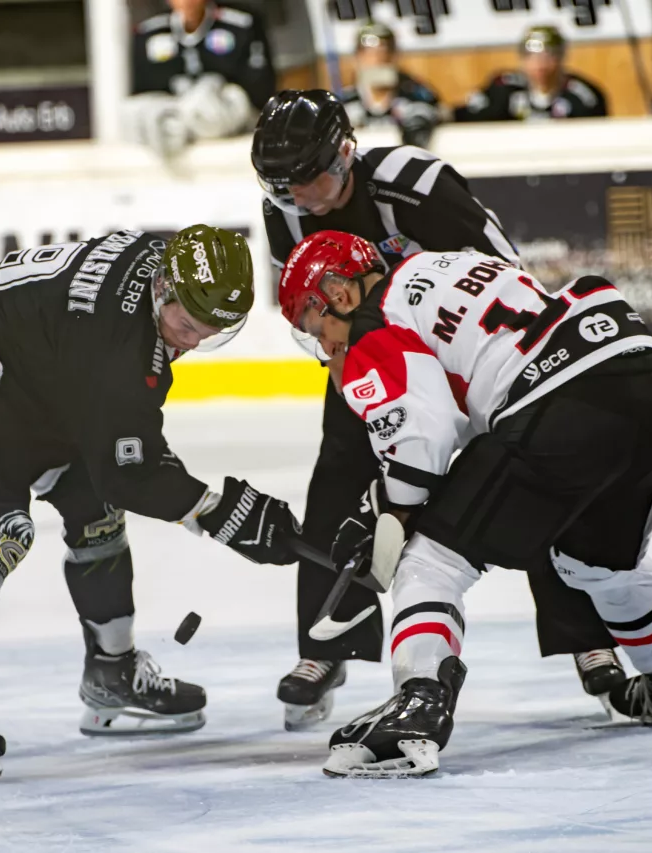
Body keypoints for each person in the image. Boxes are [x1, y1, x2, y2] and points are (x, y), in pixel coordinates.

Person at [278, 230, 652, 777]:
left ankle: (418, 707)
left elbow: (422, 441)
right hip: (643, 396)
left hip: (557, 410)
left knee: (428, 559)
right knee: (597, 564)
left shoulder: (375, 326)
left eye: (316, 325)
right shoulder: (445, 263)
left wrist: (391, 510)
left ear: (340, 291)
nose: (326, 346)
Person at [251, 88, 627, 733]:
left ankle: (588, 635)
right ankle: (325, 646)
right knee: (339, 469)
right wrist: (356, 392)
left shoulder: (415, 183)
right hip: (379, 355)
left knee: (532, 468)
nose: (300, 200)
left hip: (473, 353)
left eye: (307, 180)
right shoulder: (284, 210)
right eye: (283, 187)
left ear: (345, 153)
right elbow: (321, 319)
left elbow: (504, 272)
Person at [0, 226, 301, 782]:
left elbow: (120, 453)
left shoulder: (167, 262)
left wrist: (208, 506)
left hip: (22, 375)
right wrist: (223, 514)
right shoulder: (116, 341)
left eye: (211, 332)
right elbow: (134, 472)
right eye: (187, 326)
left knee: (94, 508)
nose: (193, 343)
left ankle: (112, 673)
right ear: (163, 290)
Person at [125, 0, 276, 156]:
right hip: (169, 126)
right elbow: (142, 93)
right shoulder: (148, 33)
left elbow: (258, 92)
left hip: (228, 127)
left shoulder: (242, 24)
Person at [454, 25, 608, 122]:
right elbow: (466, 117)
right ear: (522, 58)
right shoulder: (503, 88)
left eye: (549, 56)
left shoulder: (583, 96)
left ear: (561, 57)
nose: (539, 63)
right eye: (531, 56)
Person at [338, 21, 442, 149]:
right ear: (357, 58)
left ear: (396, 56)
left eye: (385, 52)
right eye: (369, 54)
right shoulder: (343, 103)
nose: (378, 60)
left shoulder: (417, 97)